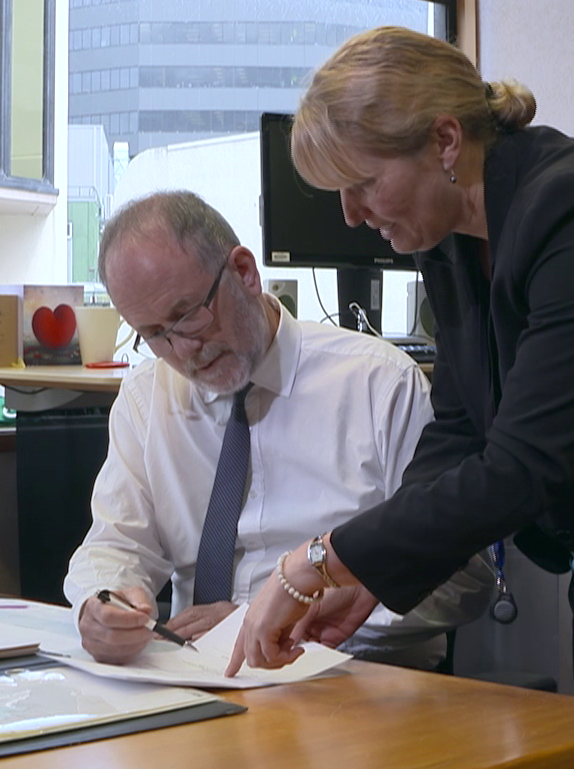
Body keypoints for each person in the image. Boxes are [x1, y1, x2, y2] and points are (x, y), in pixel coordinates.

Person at [227, 25, 574, 676]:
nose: (350, 216)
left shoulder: (560, 207)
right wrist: (375, 571)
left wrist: (323, 556)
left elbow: (525, 462)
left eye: (360, 183)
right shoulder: (448, 241)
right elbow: (459, 428)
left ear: (445, 140)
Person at [63, 189, 494, 670]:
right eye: (155, 335)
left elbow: (465, 582)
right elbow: (115, 545)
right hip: (197, 684)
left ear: (244, 273)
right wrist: (101, 604)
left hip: (356, 686)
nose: (184, 351)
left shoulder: (378, 384)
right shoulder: (148, 396)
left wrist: (269, 619)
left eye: (188, 316)